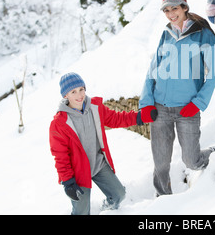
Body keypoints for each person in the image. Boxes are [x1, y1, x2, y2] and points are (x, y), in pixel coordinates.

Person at [139, 0, 215, 196]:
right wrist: (146, 102)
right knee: (161, 164)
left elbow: (214, 72)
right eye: (166, 11)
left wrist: (198, 103)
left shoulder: (202, 34)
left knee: (192, 161)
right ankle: (163, 201)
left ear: (184, 7)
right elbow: (152, 71)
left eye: (174, 8)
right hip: (160, 108)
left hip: (188, 108)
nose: (170, 14)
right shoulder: (165, 34)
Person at [49, 72, 156, 215]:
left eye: (81, 89)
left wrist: (139, 117)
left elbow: (116, 119)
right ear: (65, 96)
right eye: (73, 92)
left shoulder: (95, 108)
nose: (79, 94)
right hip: (78, 172)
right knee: (81, 211)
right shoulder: (59, 123)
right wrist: (68, 181)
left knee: (119, 194)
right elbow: (60, 156)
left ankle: (107, 211)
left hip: (98, 164)